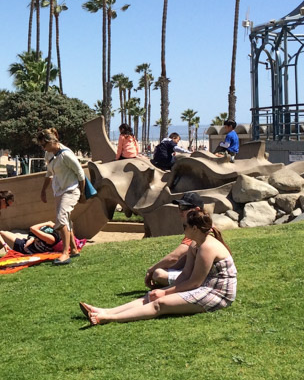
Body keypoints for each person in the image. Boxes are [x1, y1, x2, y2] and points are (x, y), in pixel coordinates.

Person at [81, 209, 236, 325]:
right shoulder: (195, 244)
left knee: (160, 303)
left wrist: (166, 294)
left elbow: (195, 282)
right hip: (204, 286)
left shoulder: (207, 247)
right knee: (152, 295)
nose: (183, 229)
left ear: (195, 228)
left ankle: (109, 318)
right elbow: (186, 275)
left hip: (218, 293)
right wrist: (162, 291)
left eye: (185, 226)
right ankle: (104, 311)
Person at [38, 128, 85, 265]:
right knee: (66, 220)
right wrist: (43, 190)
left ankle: (65, 253)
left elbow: (80, 174)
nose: (43, 148)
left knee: (61, 219)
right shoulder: (49, 154)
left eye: (44, 145)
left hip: (71, 190)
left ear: (52, 141)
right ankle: (74, 250)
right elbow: (49, 173)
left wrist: (82, 194)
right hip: (59, 191)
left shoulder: (66, 155)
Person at [144, 192, 207, 287]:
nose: (180, 212)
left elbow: (174, 257)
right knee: (160, 271)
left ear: (197, 210)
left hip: (203, 277)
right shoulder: (199, 226)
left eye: (184, 208)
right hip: (199, 272)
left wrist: (151, 270)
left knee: (158, 274)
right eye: (179, 207)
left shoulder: (198, 229)